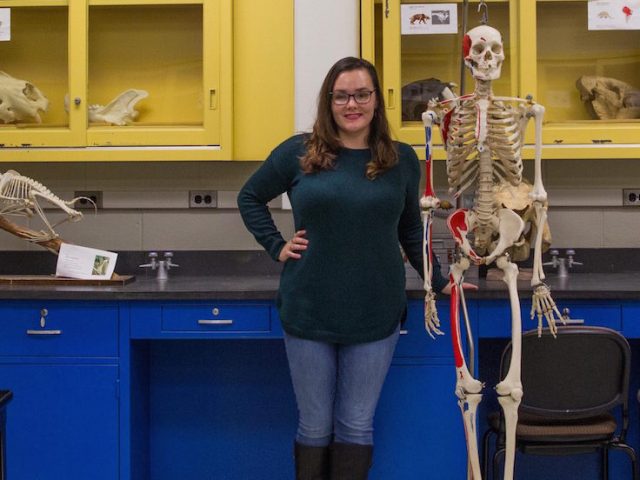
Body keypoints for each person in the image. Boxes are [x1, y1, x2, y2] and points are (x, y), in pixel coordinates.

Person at [237, 56, 452, 480]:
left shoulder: (401, 160)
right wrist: (277, 245)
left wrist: (439, 281)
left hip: (375, 310)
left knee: (356, 423)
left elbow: (411, 230)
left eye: (361, 94)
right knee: (314, 425)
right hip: (309, 307)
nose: (352, 104)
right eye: (342, 96)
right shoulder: (299, 152)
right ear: (329, 101)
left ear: (376, 100)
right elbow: (249, 198)